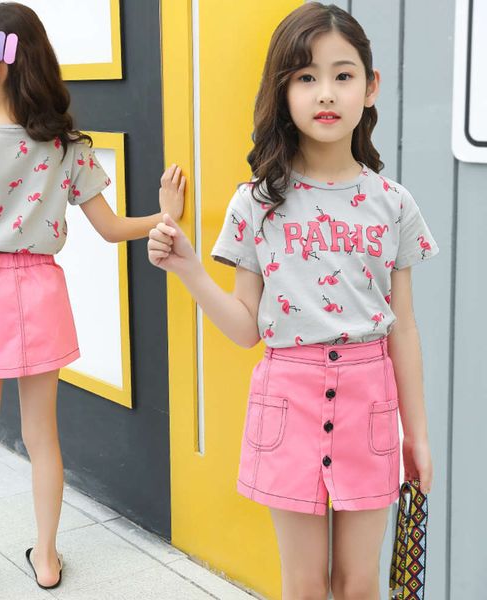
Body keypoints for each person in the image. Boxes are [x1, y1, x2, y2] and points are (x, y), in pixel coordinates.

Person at [0, 4, 184, 599]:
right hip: (44, 293)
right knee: (44, 436)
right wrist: (165, 217)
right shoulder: (66, 147)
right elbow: (112, 229)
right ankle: (47, 560)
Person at [147, 3, 437, 599]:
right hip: (288, 401)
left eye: (342, 74)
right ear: (282, 92)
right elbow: (245, 328)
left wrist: (418, 433)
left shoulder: (394, 203)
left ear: (371, 86)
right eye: (305, 77)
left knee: (358, 585)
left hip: (370, 403)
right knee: (303, 586)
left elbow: (403, 327)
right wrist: (189, 268)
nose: (325, 92)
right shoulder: (256, 203)